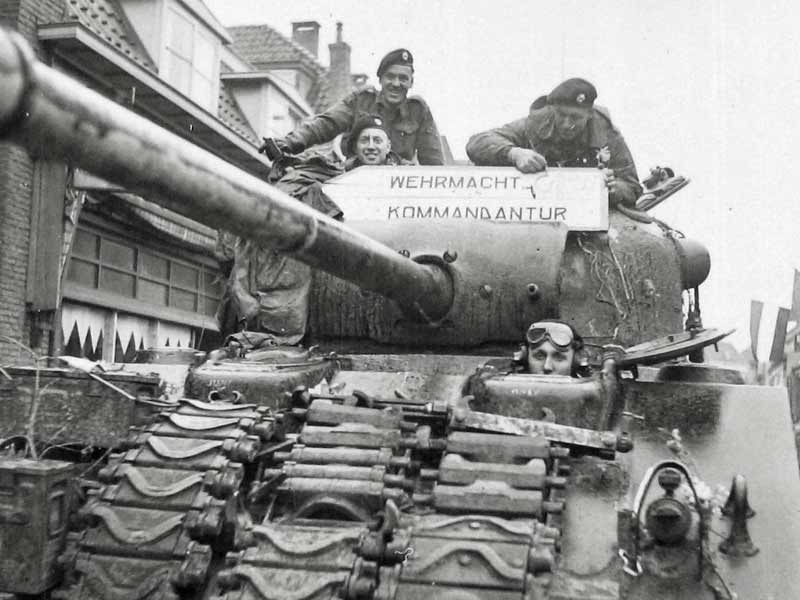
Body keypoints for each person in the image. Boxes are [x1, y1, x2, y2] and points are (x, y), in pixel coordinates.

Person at [466, 78, 642, 207]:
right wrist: (514, 153)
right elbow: (477, 142)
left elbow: (632, 187)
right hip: (535, 208)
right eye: (562, 115)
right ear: (552, 110)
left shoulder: (608, 136)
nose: (567, 124)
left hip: (585, 216)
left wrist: (614, 189)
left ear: (589, 115)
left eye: (575, 117)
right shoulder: (534, 124)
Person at [276, 49, 444, 165]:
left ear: (411, 82)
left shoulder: (418, 111)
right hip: (355, 181)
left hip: (396, 189)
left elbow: (434, 161)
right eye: (390, 77)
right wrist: (289, 142)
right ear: (380, 79)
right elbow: (327, 124)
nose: (396, 84)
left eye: (403, 78)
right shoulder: (361, 101)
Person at [344, 114, 410, 169]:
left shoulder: (407, 171)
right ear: (355, 147)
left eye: (377, 141)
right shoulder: (343, 173)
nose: (371, 146)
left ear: (388, 147)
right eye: (364, 141)